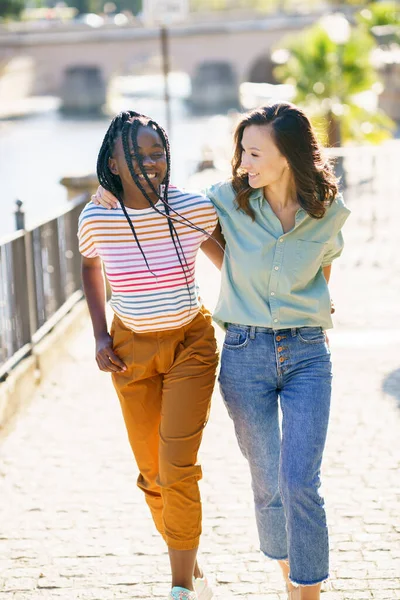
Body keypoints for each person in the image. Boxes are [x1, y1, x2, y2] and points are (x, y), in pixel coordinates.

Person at [92, 103, 350, 600]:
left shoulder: (328, 210)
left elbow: (324, 265)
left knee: (300, 480)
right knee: (268, 480)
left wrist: (311, 302)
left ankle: (306, 587)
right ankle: (285, 566)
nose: (244, 163)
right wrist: (109, 184)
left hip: (307, 353)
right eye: (242, 152)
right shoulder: (225, 201)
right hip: (245, 352)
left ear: (288, 157)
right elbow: (158, 195)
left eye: (254, 153)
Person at [78, 110, 224, 600]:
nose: (149, 162)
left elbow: (232, 264)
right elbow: (90, 268)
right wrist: (100, 336)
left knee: (177, 467)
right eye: (135, 155)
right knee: (153, 475)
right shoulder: (97, 217)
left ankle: (180, 588)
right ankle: (193, 567)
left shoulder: (191, 208)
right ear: (113, 164)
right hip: (129, 351)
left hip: (190, 344)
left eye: (157, 152)